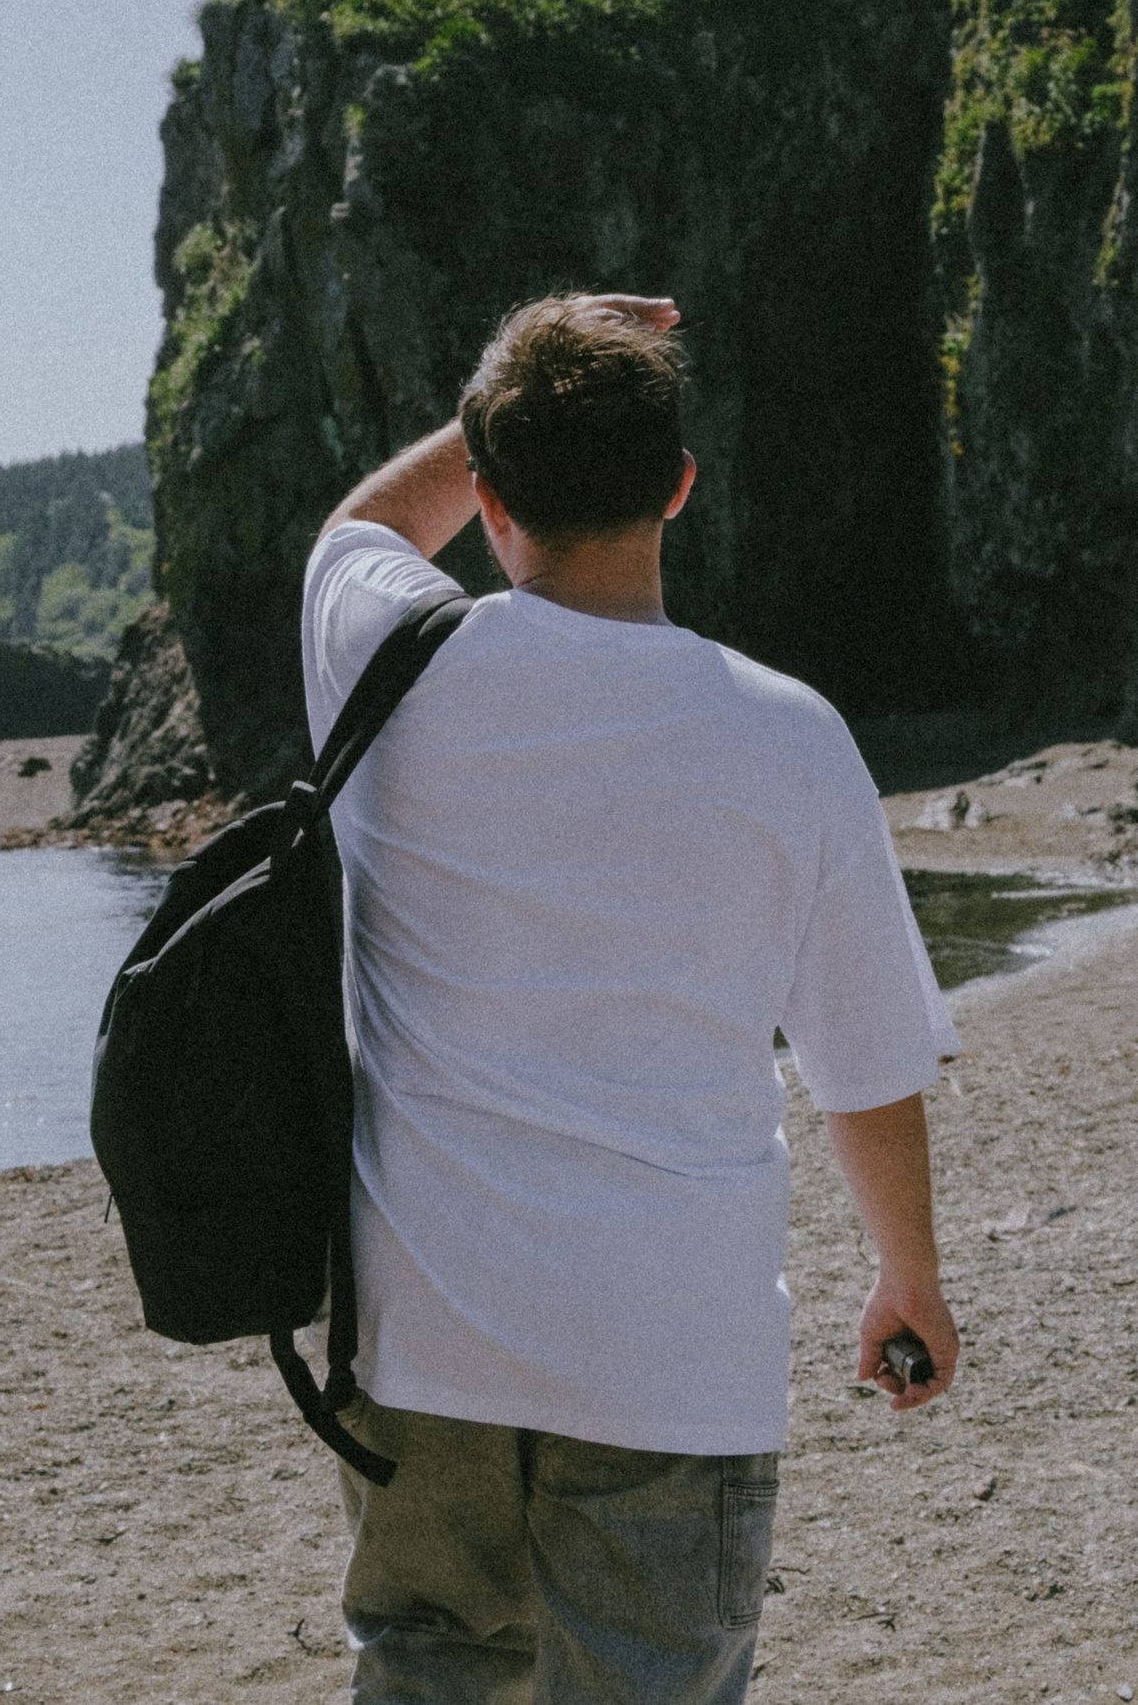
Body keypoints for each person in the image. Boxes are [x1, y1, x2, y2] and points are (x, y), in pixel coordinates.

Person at [301, 292, 960, 1704]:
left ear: (486, 498)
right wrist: (908, 1275)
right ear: (679, 486)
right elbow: (863, 1060)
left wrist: (504, 412)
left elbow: (355, 535)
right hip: (673, 1343)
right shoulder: (788, 734)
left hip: (422, 1327)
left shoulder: (390, 662)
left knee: (425, 1670)